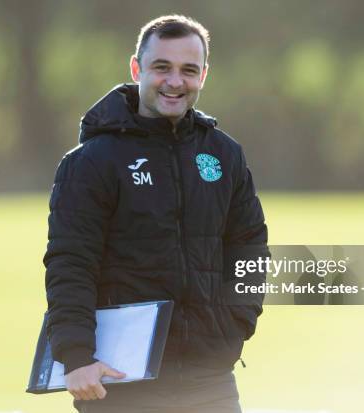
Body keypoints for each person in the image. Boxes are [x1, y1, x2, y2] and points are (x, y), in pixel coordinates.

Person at [44, 15, 269, 413]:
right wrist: (76, 355)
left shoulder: (223, 154)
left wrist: (236, 325)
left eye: (188, 70)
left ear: (204, 75)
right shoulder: (94, 161)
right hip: (118, 379)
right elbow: (71, 262)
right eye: (161, 67)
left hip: (209, 377)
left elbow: (249, 246)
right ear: (137, 69)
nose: (174, 81)